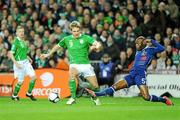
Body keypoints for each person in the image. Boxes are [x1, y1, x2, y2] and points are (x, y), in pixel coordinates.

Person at [86, 36, 173, 106]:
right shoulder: (137, 51)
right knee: (115, 87)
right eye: (136, 44)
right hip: (132, 75)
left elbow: (162, 48)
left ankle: (164, 100)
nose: (136, 45)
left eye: (138, 44)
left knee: (146, 97)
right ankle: (96, 94)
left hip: (140, 75)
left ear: (143, 44)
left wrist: (151, 40)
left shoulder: (150, 50)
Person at [41, 21, 101, 105]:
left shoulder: (86, 38)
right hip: (74, 64)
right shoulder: (67, 39)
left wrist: (97, 46)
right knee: (71, 74)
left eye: (77, 31)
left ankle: (93, 96)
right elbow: (57, 47)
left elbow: (96, 43)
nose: (76, 33)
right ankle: (73, 98)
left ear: (80, 30)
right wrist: (48, 54)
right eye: (74, 31)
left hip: (86, 65)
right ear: (71, 31)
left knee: (95, 86)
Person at [9, 26, 37, 101]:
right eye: (20, 32)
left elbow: (23, 53)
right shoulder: (16, 42)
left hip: (26, 62)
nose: (22, 33)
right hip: (19, 63)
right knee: (20, 82)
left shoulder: (24, 41)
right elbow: (11, 53)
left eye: (22, 31)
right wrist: (16, 63)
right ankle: (14, 95)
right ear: (16, 33)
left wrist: (28, 57)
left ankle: (29, 93)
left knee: (34, 77)